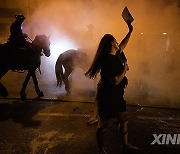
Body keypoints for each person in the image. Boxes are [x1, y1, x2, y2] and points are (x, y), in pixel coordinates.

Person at [85, 22, 138, 154]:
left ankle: (125, 146)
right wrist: (124, 70)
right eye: (115, 40)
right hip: (108, 97)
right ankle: (101, 149)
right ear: (111, 44)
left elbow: (123, 45)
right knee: (103, 125)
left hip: (118, 95)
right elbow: (115, 81)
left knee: (124, 119)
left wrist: (130, 31)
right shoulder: (108, 60)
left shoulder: (116, 54)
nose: (117, 42)